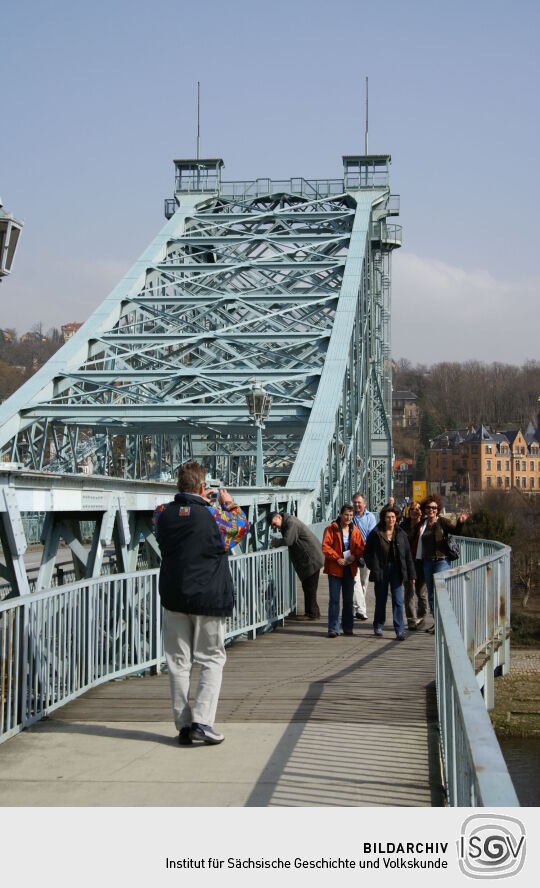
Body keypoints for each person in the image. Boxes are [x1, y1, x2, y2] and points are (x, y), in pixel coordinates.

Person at [154, 461, 249, 746]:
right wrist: (228, 505)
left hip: (174, 596)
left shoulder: (161, 514)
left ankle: (183, 725)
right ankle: (203, 722)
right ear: (201, 486)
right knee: (211, 659)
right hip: (209, 598)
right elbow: (240, 528)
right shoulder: (216, 517)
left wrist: (199, 504)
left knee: (178, 662)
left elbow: (179, 521)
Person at [417, 494, 468, 633]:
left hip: (441, 561)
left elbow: (455, 531)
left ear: (438, 509)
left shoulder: (442, 522)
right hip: (427, 561)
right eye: (428, 507)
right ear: (425, 509)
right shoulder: (423, 524)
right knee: (432, 594)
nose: (431, 510)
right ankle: (437, 622)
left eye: (434, 507)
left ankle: (444, 622)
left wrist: (461, 522)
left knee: (441, 592)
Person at [363, 505, 416, 640]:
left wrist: (412, 575)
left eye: (393, 517)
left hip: (396, 570)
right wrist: (372, 566)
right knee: (381, 600)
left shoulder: (401, 534)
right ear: (384, 518)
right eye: (388, 517)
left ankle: (399, 630)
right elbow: (367, 552)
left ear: (396, 518)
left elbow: (408, 555)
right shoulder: (376, 533)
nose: (391, 519)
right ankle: (378, 625)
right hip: (381, 569)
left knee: (398, 600)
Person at [268, 512, 324, 619]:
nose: (274, 527)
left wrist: (276, 543)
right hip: (310, 558)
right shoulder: (289, 522)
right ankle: (313, 612)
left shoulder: (291, 523)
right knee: (308, 587)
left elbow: (288, 540)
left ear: (279, 517)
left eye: (274, 524)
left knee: (310, 587)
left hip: (311, 559)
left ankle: (312, 614)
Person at [322, 504, 365, 638]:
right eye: (346, 515)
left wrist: (354, 555)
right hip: (335, 568)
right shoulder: (331, 528)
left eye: (351, 515)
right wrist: (336, 558)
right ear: (340, 514)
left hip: (349, 568)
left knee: (348, 600)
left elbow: (361, 547)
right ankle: (333, 628)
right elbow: (325, 546)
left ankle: (348, 627)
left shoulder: (355, 531)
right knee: (334, 599)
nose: (348, 518)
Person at [400, 500, 429, 630]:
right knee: (409, 592)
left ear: (421, 512)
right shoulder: (403, 525)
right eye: (412, 509)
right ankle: (411, 620)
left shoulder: (425, 525)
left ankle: (421, 615)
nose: (415, 512)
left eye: (417, 509)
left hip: (421, 562)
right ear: (409, 511)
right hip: (407, 562)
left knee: (421, 592)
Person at [351, 492, 376, 621]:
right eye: (355, 502)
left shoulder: (371, 517)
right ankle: (360, 609)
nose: (356, 505)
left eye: (359, 502)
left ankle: (359, 607)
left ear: (364, 504)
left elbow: (371, 536)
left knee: (364, 582)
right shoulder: (350, 517)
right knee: (355, 582)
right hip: (353, 554)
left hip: (366, 554)